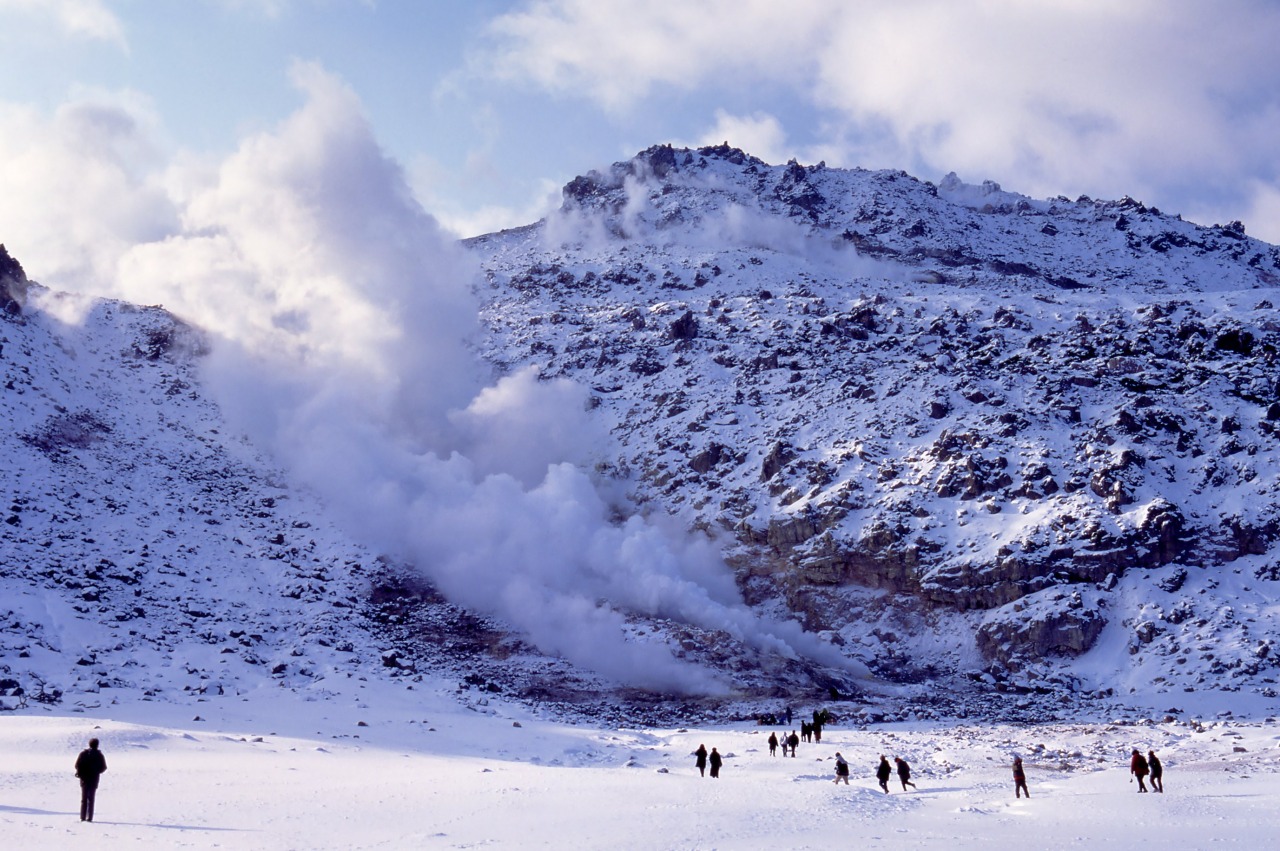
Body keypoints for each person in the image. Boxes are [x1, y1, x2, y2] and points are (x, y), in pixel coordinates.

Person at [74, 737, 108, 822]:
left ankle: (82, 817)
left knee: (84, 798)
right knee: (91, 799)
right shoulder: (99, 755)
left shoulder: (83, 754)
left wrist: (82, 772)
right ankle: (90, 817)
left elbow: (77, 765)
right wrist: (96, 771)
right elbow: (104, 767)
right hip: (94, 779)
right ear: (97, 745)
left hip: (84, 779)